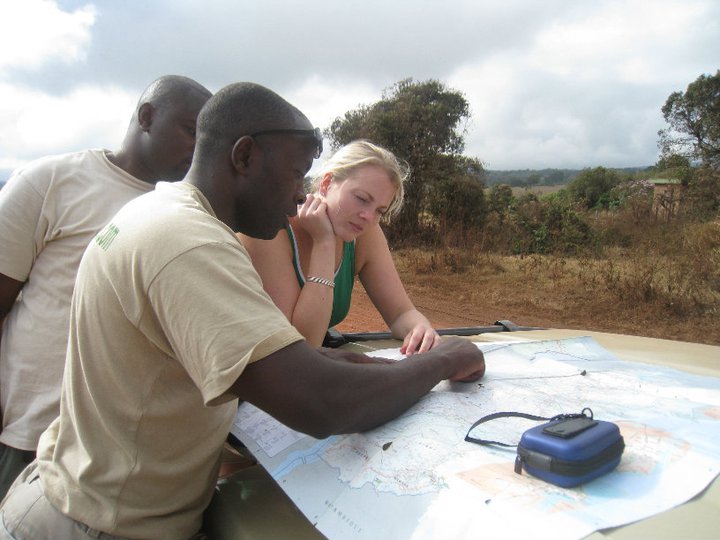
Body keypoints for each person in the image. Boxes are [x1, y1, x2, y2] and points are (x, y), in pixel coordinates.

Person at [0, 82, 485, 540]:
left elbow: (257, 357)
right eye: (295, 174)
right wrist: (446, 358)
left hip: (79, 498)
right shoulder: (190, 244)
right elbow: (318, 402)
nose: (301, 194)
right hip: (98, 522)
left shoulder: (164, 212)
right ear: (245, 156)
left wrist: (349, 363)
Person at [0, 75, 212, 498]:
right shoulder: (51, 181)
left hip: (115, 458)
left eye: (204, 140)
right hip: (29, 433)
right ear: (146, 117)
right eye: (190, 131)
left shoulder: (186, 213)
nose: (196, 149)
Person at [239, 140, 440, 354]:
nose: (368, 216)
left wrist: (420, 329)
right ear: (327, 184)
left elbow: (401, 314)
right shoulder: (269, 230)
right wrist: (324, 243)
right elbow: (301, 344)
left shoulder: (364, 232)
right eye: (361, 198)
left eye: (380, 211)